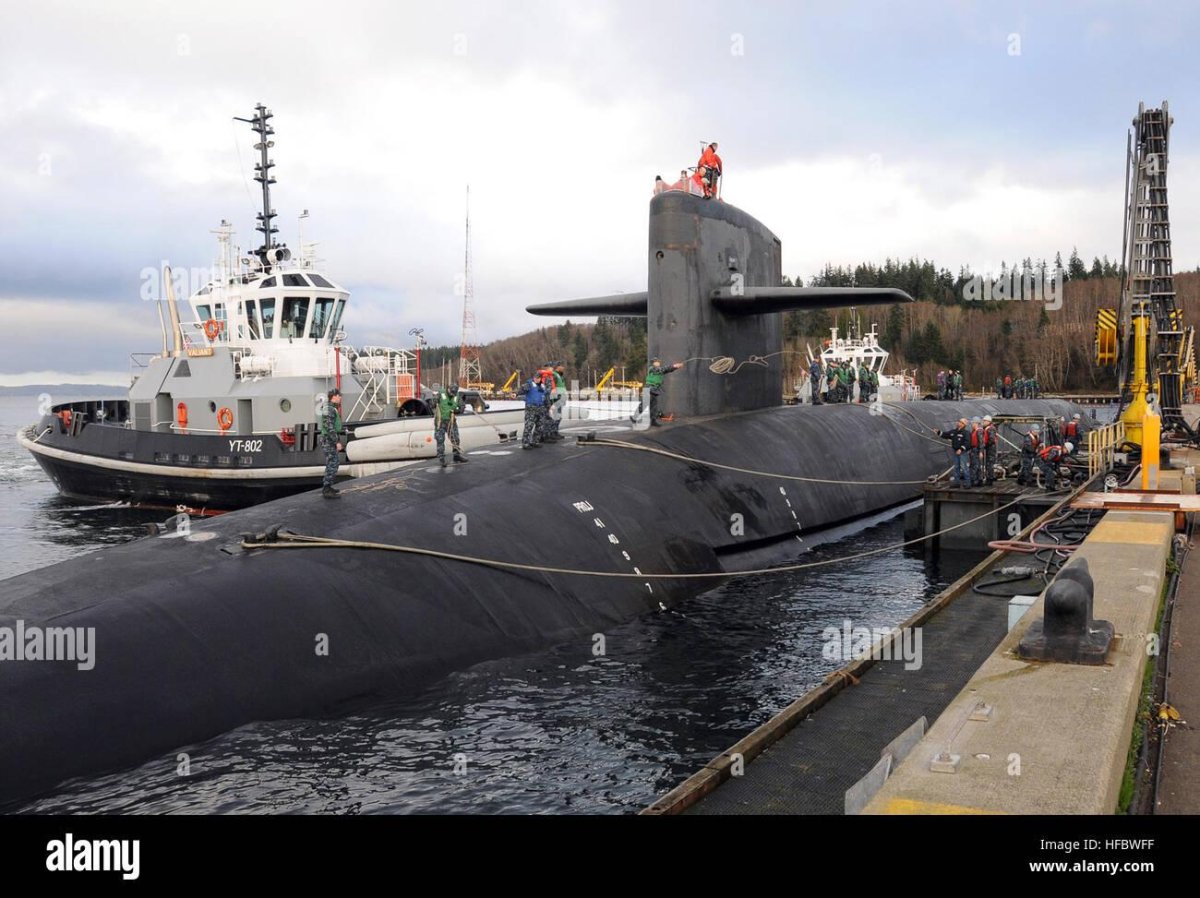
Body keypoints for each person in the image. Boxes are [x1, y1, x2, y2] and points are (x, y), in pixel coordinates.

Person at [640, 356, 683, 425]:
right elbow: (663, 369)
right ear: (653, 363)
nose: (658, 363)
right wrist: (674, 366)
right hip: (649, 388)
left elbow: (666, 370)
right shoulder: (652, 369)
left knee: (654, 407)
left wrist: (675, 367)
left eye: (659, 362)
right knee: (644, 404)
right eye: (657, 362)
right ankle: (635, 417)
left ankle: (653, 421)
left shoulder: (659, 370)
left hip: (654, 390)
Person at [433, 383, 469, 467]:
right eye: (451, 393)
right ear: (448, 389)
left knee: (455, 438)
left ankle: (456, 456)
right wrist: (434, 402)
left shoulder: (457, 396)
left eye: (454, 393)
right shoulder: (441, 394)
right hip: (440, 421)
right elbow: (433, 402)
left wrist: (459, 410)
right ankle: (441, 458)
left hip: (451, 421)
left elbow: (462, 405)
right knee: (440, 440)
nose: (452, 395)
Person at [318, 388, 345, 498]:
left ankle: (328, 486)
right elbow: (329, 427)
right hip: (328, 440)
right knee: (332, 462)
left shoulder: (331, 408)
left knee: (333, 462)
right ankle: (326, 489)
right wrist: (337, 441)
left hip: (330, 439)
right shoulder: (329, 409)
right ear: (334, 396)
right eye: (339, 396)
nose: (340, 398)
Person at [934, 418, 972, 486]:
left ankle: (967, 483)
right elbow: (946, 435)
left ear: (963, 424)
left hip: (962, 453)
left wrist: (961, 449)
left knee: (964, 467)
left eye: (960, 422)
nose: (958, 423)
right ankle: (957, 482)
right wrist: (938, 432)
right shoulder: (954, 432)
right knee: (956, 467)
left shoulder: (966, 433)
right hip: (955, 452)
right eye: (958, 421)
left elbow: (967, 443)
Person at [519, 373, 546, 449]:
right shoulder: (529, 385)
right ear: (533, 378)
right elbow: (521, 390)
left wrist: (549, 406)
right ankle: (525, 443)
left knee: (540, 426)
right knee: (529, 426)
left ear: (540, 379)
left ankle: (535, 441)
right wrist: (516, 393)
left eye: (538, 378)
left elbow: (545, 397)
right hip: (531, 408)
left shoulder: (543, 386)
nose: (536, 379)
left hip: (540, 408)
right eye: (535, 378)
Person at [967, 417, 984, 486]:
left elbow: (981, 442)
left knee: (975, 465)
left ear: (976, 423)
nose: (972, 424)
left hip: (976, 450)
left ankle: (974, 480)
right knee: (976, 465)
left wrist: (981, 451)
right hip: (973, 449)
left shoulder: (979, 431)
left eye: (973, 423)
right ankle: (979, 480)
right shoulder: (974, 431)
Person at [982, 414, 998, 485]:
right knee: (988, 464)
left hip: (990, 449)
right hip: (989, 448)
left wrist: (985, 445)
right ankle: (989, 477)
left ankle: (990, 479)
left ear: (988, 421)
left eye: (985, 421)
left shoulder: (990, 429)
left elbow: (991, 439)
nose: (983, 422)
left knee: (989, 464)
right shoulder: (987, 428)